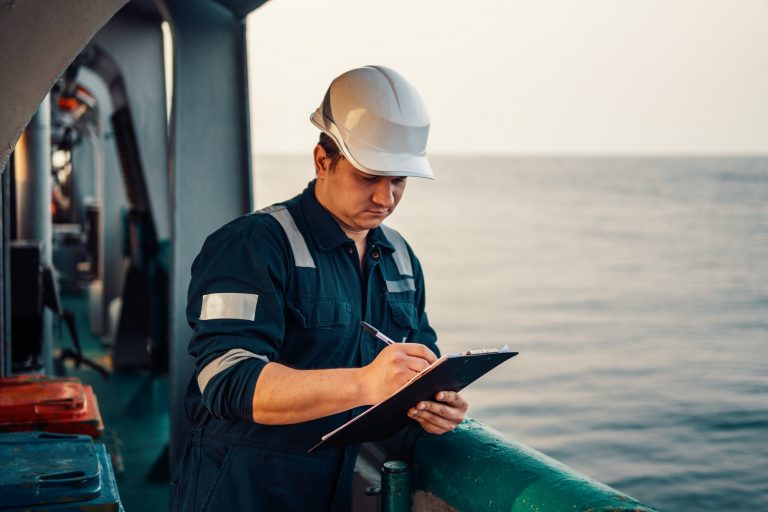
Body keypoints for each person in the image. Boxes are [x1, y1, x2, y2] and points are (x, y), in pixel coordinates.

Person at [171, 65, 468, 512]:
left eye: (399, 181)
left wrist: (435, 404)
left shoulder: (401, 259)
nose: (386, 199)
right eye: (370, 177)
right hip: (241, 494)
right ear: (322, 160)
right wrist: (366, 383)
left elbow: (417, 365)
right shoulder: (250, 245)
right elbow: (226, 380)